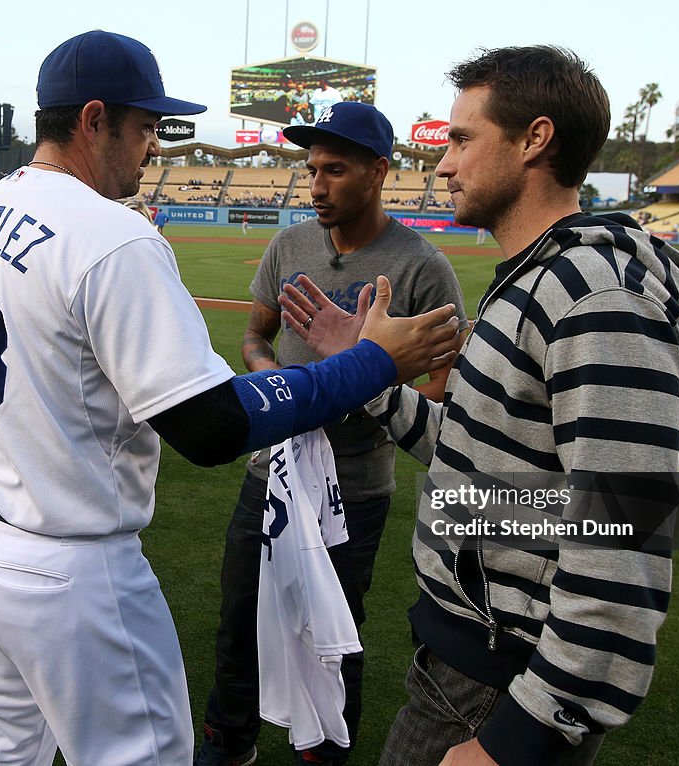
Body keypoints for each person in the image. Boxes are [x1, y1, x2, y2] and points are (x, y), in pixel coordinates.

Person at [0, 31, 460, 766]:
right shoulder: (113, 235)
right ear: (95, 120)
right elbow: (213, 426)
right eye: (145, 128)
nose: (152, 148)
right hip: (66, 567)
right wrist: (371, 365)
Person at [283, 46, 679, 766]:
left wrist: (525, 734)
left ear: (534, 140)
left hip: (499, 681)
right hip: (471, 656)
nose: (444, 165)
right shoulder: (542, 276)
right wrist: (361, 373)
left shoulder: (595, 296)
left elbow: (622, 527)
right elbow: (481, 456)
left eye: (461, 139)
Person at [196, 101, 469, 766]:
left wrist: (354, 385)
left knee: (331, 635)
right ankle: (228, 746)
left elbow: (438, 394)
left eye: (335, 170)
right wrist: (280, 391)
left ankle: (323, 751)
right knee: (239, 622)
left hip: (355, 490)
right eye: (312, 169)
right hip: (271, 474)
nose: (316, 185)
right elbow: (256, 336)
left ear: (379, 172)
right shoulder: (289, 245)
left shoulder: (420, 266)